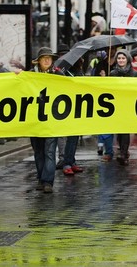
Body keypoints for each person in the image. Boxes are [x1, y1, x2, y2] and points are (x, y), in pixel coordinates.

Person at [29, 47, 59, 193]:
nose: (47, 60)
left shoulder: (59, 74)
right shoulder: (29, 76)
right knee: (38, 151)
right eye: (44, 58)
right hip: (34, 120)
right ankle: (41, 178)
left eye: (50, 58)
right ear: (38, 61)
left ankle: (48, 181)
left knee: (49, 151)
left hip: (52, 120)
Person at [54, 43, 84, 176]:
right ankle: (65, 161)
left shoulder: (76, 67)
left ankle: (71, 160)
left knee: (74, 135)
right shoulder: (56, 69)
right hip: (62, 105)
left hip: (76, 104)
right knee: (64, 135)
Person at [109, 49, 137, 165]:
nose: (121, 60)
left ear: (128, 59)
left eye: (123, 58)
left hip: (129, 104)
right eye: (119, 58)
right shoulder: (112, 74)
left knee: (125, 129)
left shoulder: (134, 74)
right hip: (116, 104)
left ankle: (124, 152)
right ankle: (122, 149)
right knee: (119, 130)